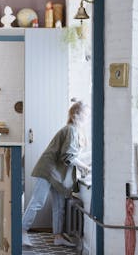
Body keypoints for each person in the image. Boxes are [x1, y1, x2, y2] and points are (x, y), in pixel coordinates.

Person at [22, 99, 91, 247]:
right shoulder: (71, 130)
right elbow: (68, 156)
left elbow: (71, 156)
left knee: (59, 205)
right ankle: (21, 232)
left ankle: (58, 236)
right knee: (37, 201)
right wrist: (85, 167)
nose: (87, 117)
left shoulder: (75, 131)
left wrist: (84, 166)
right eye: (85, 114)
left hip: (58, 174)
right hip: (48, 170)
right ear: (75, 115)